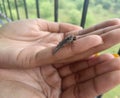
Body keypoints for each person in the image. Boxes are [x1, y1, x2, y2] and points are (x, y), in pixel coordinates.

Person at [0, 18, 120, 98]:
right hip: (61, 44)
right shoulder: (68, 40)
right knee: (59, 47)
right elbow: (67, 42)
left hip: (62, 44)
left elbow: (70, 41)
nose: (73, 38)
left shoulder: (71, 39)